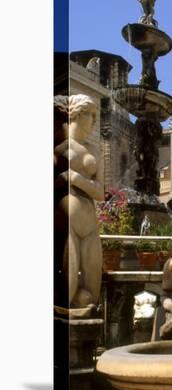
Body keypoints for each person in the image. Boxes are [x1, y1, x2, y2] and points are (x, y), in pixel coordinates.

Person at [54, 94, 104, 311]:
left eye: (94, 116)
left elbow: (101, 193)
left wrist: (75, 178)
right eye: (90, 115)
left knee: (93, 284)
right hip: (69, 221)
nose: (93, 121)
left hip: (90, 221)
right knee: (70, 283)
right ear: (76, 114)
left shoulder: (95, 151)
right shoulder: (59, 148)